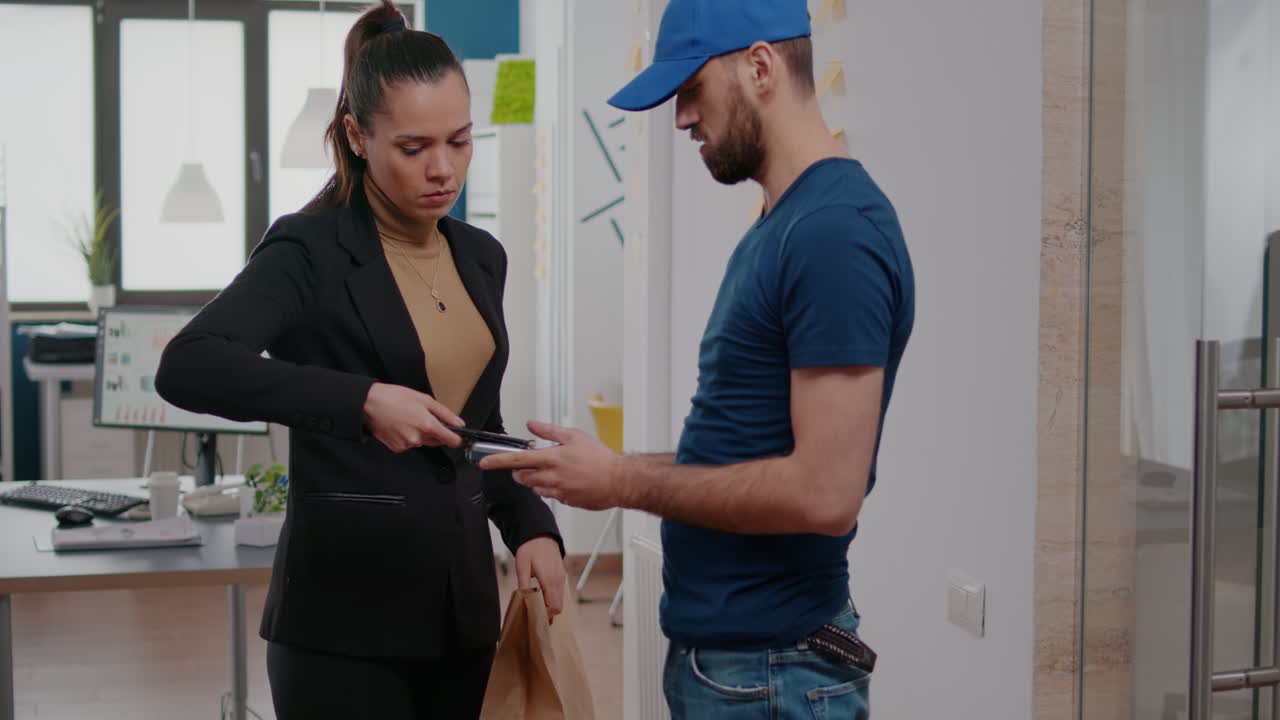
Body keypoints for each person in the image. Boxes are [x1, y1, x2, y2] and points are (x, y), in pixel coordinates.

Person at [481, 0, 915, 718]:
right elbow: (742, 450)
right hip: (746, 666)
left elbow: (825, 494)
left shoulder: (832, 233)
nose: (681, 117)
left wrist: (622, 480)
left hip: (772, 671)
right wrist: (601, 469)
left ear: (761, 65)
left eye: (691, 89)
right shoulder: (786, 224)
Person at [154, 3, 565, 718]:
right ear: (357, 134)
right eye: (414, 148)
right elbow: (189, 363)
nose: (444, 169)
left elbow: (474, 424)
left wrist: (530, 524)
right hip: (342, 626)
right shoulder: (308, 250)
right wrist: (361, 401)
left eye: (461, 141)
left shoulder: (480, 258)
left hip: (461, 614)